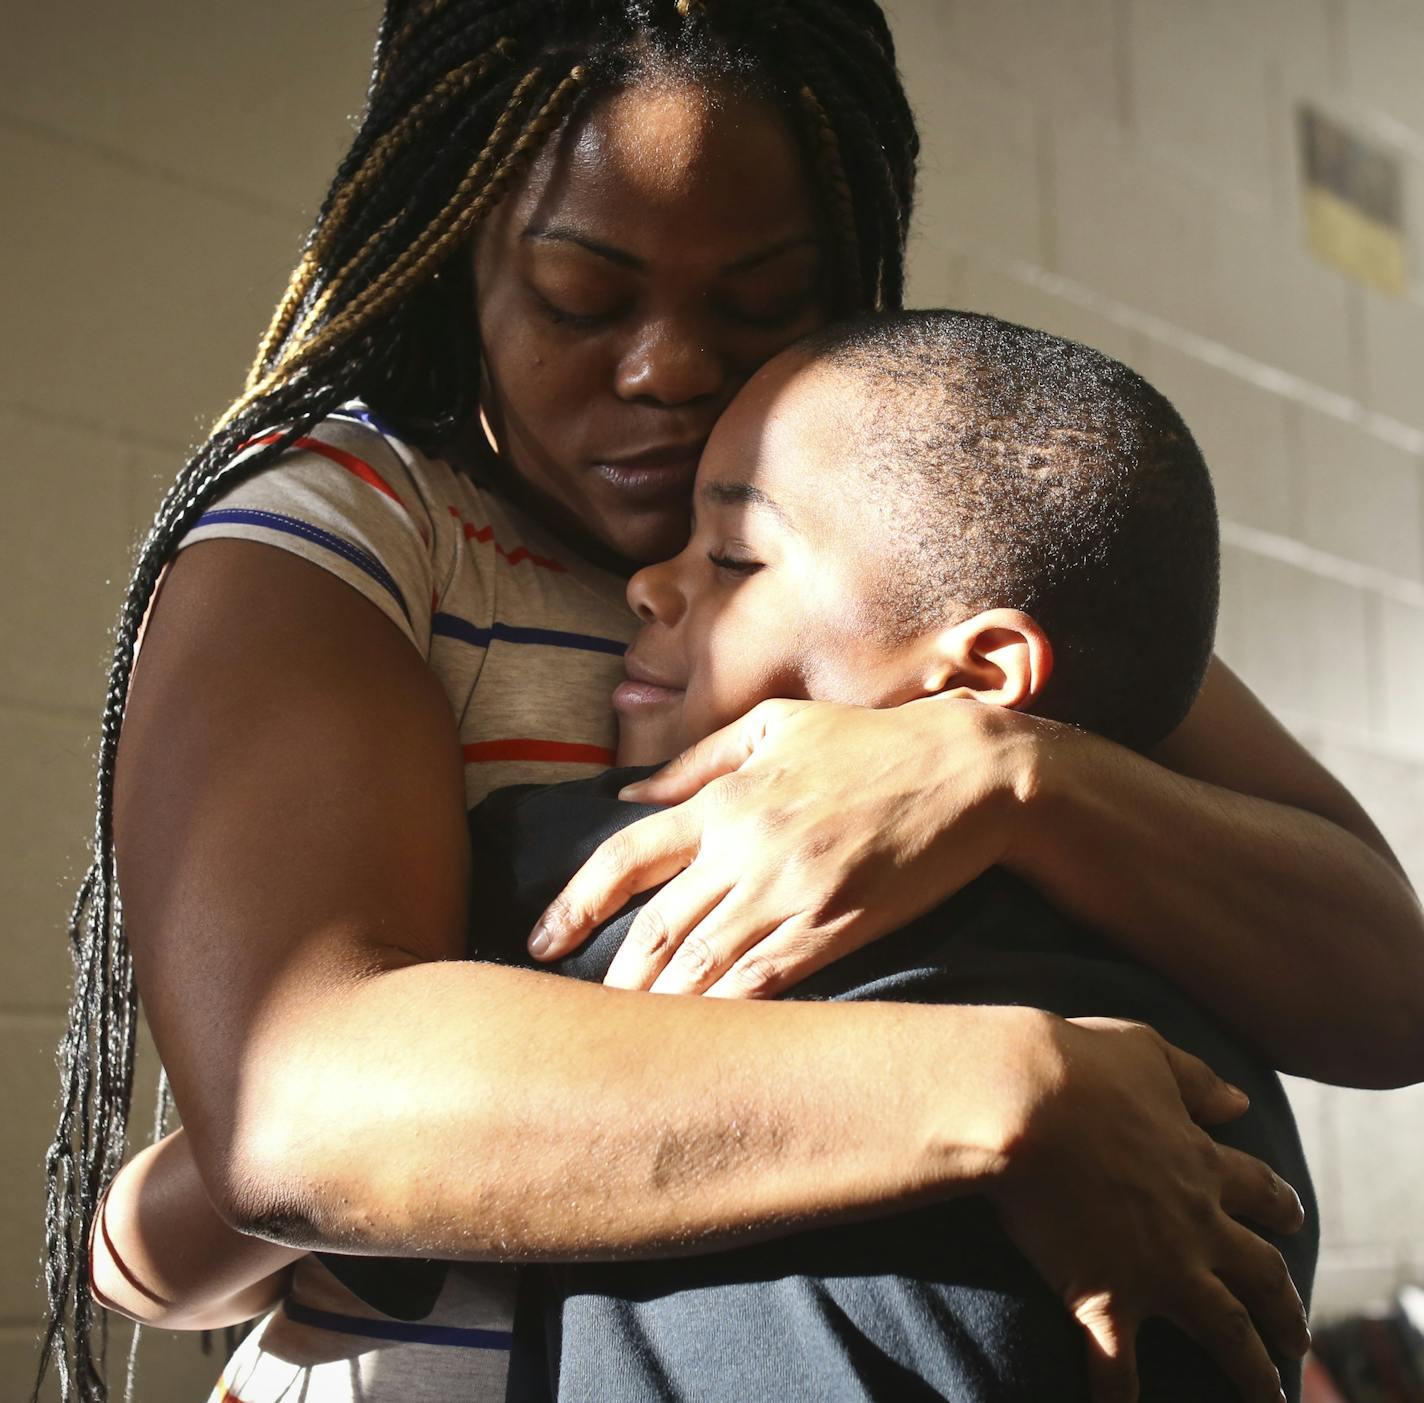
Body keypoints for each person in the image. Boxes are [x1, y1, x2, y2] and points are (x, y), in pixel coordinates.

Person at [39, 3, 1422, 1402]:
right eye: (585, 296)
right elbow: (298, 1114)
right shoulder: (357, 538)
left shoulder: (899, 548)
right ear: (456, 245)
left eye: (764, 303)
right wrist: (1007, 1087)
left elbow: (1388, 984)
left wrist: (1008, 777)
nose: (671, 367)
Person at [90, 311, 1320, 1403]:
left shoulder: (654, 872)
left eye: (730, 559)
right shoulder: (1210, 976)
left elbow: (179, 1223)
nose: (650, 583)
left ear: (983, 671)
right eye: (587, 290)